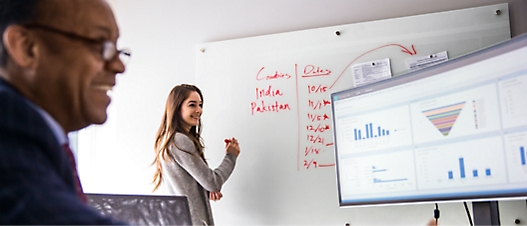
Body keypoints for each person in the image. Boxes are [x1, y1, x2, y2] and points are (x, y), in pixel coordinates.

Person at [0, 0, 129, 224]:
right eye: (100, 44)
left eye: (117, 49)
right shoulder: (8, 128)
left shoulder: (39, 138)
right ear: (27, 47)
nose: (119, 66)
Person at [152, 84, 240, 225]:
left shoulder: (168, 140)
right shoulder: (180, 141)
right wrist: (231, 156)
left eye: (200, 105)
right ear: (176, 107)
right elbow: (213, 182)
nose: (199, 110)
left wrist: (204, 189)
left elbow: (188, 183)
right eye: (192, 105)